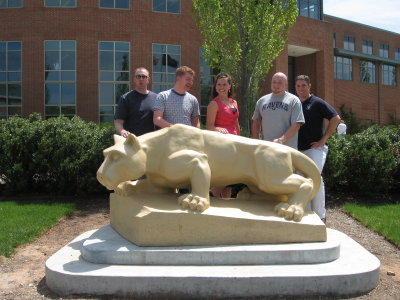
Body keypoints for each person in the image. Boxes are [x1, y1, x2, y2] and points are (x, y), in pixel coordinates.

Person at [295, 75, 341, 222]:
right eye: (298, 86)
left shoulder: (317, 102)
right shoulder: (295, 103)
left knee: (315, 177)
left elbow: (335, 118)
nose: (300, 89)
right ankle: (307, 214)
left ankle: (321, 215)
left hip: (315, 149)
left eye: (303, 85)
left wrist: (323, 140)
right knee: (301, 181)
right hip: (298, 150)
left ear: (309, 86)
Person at [206, 72, 240, 198]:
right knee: (225, 176)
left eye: (224, 84)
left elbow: (236, 123)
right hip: (222, 146)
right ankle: (213, 197)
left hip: (235, 144)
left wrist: (240, 139)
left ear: (230, 86)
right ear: (215, 87)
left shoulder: (234, 102)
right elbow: (209, 126)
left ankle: (226, 205)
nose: (221, 87)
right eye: (219, 84)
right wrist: (218, 129)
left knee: (230, 182)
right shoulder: (214, 104)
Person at [251, 72, 304, 149]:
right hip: (266, 148)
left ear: (286, 85)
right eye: (274, 82)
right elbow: (256, 122)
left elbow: (296, 125)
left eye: (280, 83)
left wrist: (281, 140)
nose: (276, 85)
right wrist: (256, 143)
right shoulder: (261, 101)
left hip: (287, 149)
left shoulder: (294, 101)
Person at [114, 67, 157, 137]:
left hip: (149, 142)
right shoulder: (125, 98)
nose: (141, 79)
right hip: (131, 141)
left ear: (148, 79)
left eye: (144, 76)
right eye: (138, 76)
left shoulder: (156, 98)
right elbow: (118, 122)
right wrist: (122, 131)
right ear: (134, 79)